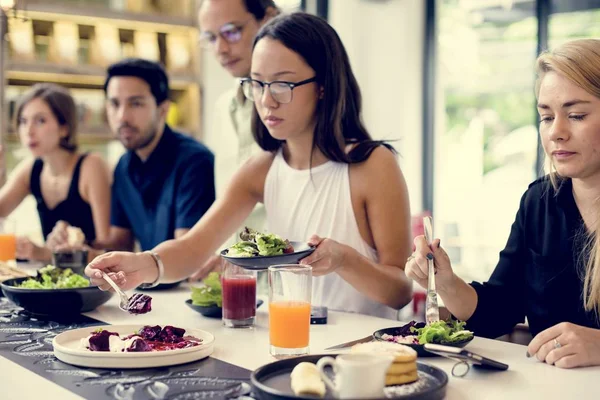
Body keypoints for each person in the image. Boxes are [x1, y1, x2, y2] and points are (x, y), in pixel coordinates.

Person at [85, 13, 413, 317]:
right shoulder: (260, 170)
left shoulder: (371, 165)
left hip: (362, 358)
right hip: (288, 345)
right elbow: (193, 247)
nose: (266, 101)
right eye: (256, 84)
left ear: (324, 86)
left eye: (283, 85)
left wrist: (345, 259)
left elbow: (399, 292)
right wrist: (144, 265)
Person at [405, 39, 600, 369]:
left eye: (576, 115)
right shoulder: (539, 202)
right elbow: (499, 311)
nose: (557, 132)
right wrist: (447, 282)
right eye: (546, 117)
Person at [50, 59, 215, 264]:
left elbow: (187, 254)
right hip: (151, 289)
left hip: (189, 291)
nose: (122, 116)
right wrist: (78, 245)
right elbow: (121, 243)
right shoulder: (124, 166)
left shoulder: (195, 162)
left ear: (163, 110)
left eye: (135, 103)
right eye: (114, 103)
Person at [192, 0, 279, 280]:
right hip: (235, 286)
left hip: (290, 283)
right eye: (211, 37)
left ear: (268, 18)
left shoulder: (292, 109)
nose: (221, 49)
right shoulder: (222, 108)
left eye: (231, 32)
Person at [0, 83, 111, 262]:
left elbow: (110, 249)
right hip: (54, 280)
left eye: (40, 121)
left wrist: (44, 253)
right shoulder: (31, 169)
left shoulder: (91, 167)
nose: (28, 131)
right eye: (23, 121)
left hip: (95, 282)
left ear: (64, 127)